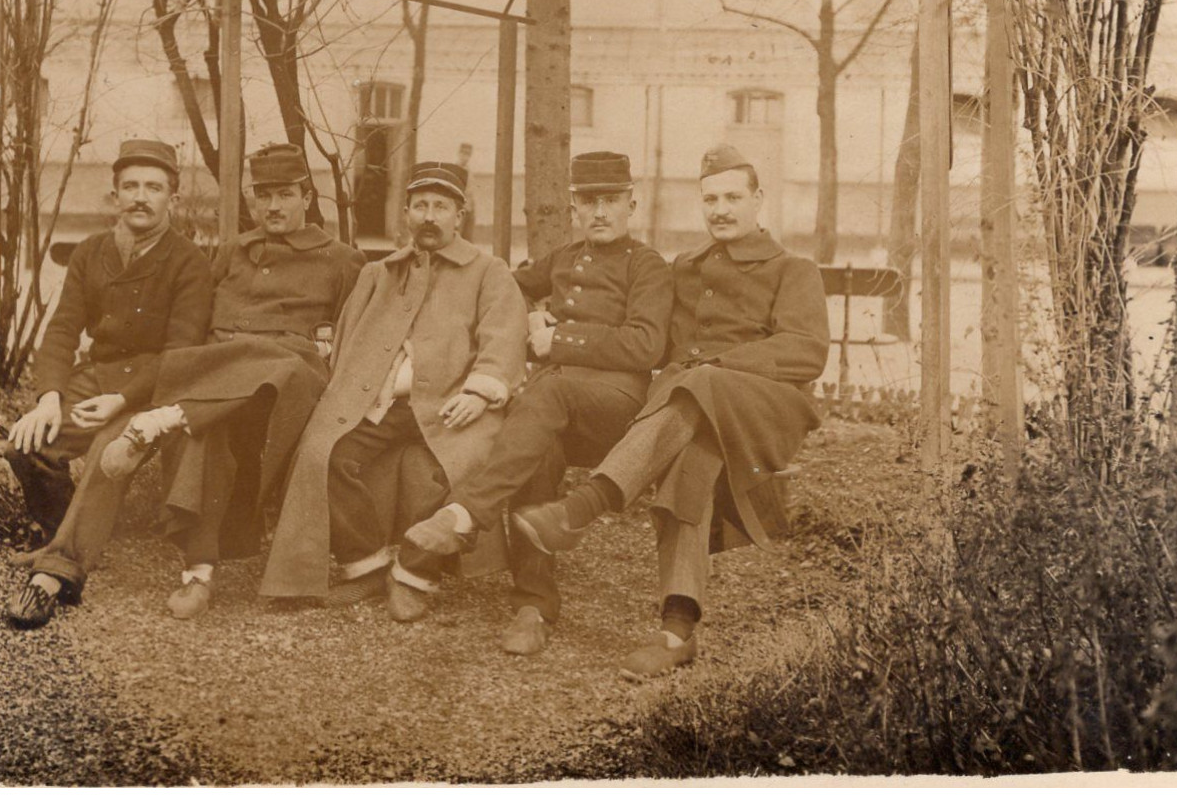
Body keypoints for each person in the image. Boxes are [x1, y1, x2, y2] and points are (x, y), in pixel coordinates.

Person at [4, 143, 364, 629]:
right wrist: (50, 396)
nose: (274, 206)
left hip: (278, 384)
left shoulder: (342, 260)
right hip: (208, 378)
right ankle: (193, 572)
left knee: (277, 363)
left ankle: (161, 427)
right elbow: (185, 336)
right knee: (199, 427)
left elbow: (355, 333)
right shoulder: (234, 252)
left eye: (286, 194)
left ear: (308, 196)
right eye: (264, 196)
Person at [511, 143, 830, 679]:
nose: (721, 209)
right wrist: (546, 328)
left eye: (733, 197)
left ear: (759, 200)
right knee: (692, 465)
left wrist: (718, 364)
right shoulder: (685, 269)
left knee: (697, 379)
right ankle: (676, 632)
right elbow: (650, 344)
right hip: (693, 409)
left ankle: (585, 506)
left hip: (767, 409)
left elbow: (807, 351)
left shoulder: (794, 269)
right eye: (711, 199)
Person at [398, 151, 673, 656]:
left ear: (632, 203)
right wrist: (524, 322)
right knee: (534, 449)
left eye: (611, 201)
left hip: (616, 406)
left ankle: (465, 515)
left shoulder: (648, 265)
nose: (600, 213)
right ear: (574, 206)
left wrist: (559, 338)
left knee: (541, 395)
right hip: (554, 407)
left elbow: (646, 345)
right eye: (589, 202)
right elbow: (501, 291)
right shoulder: (563, 260)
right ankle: (533, 606)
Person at [258, 161, 527, 621]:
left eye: (441, 206)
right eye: (420, 205)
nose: (429, 216)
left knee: (446, 468)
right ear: (406, 213)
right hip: (378, 402)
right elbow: (347, 340)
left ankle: (413, 574)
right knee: (328, 454)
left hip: (450, 404)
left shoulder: (489, 271)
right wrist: (345, 398)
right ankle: (364, 568)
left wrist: (481, 392)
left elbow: (504, 337)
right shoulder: (379, 273)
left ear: (459, 215)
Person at [1, 138, 213, 541]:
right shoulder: (90, 252)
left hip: (154, 389)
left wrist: (122, 400)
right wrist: (49, 398)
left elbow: (179, 354)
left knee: (106, 451)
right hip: (96, 378)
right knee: (25, 446)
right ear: (115, 197)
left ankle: (71, 553)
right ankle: (62, 538)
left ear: (174, 197)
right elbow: (63, 328)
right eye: (131, 187)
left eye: (154, 188)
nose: (140, 198)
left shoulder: (189, 261)